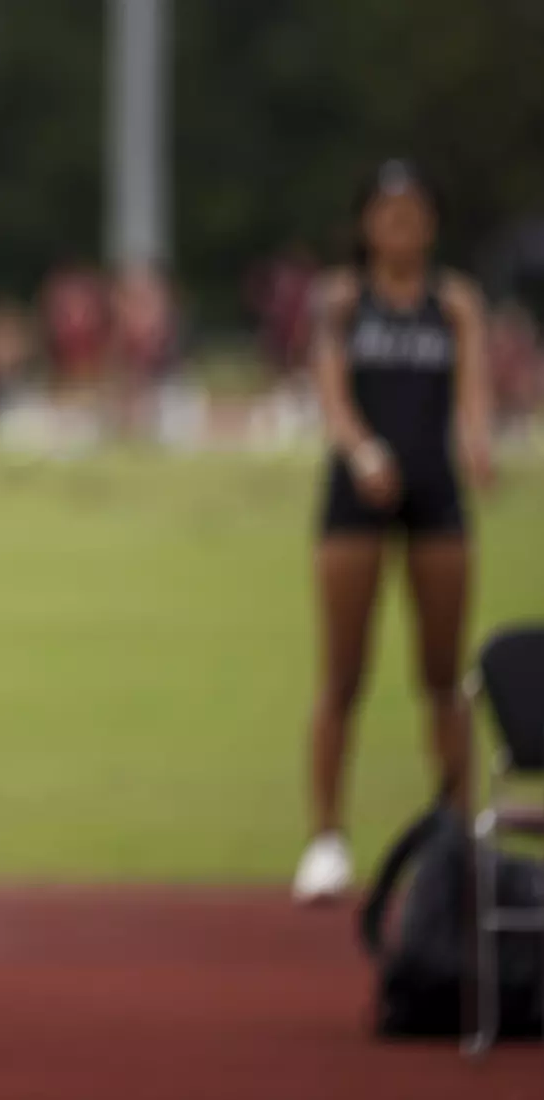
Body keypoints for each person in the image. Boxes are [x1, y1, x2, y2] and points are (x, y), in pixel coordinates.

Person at [294, 159, 494, 904]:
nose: (400, 227)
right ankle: (326, 838)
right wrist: (361, 452)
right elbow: (330, 391)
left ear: (431, 224)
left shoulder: (455, 303)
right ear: (365, 224)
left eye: (412, 214)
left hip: (434, 491)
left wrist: (477, 443)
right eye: (386, 214)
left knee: (442, 675)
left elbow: (472, 391)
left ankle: (453, 837)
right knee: (342, 673)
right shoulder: (343, 300)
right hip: (357, 493)